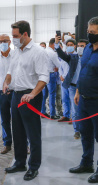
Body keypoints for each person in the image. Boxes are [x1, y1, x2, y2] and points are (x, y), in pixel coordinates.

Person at [3, 20, 49, 181]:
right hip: (16, 95)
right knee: (18, 132)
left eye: (15, 36)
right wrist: (6, 82)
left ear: (25, 34)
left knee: (32, 133)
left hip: (30, 97)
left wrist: (33, 94)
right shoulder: (16, 51)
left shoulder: (38, 52)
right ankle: (20, 162)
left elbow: (44, 77)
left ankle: (33, 166)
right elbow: (10, 71)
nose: (13, 39)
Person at [69, 16, 98, 183]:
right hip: (84, 99)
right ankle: (87, 163)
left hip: (97, 101)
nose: (89, 35)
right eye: (88, 31)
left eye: (93, 32)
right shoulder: (87, 48)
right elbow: (83, 71)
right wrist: (78, 91)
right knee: (85, 132)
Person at [55, 38, 81, 139]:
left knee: (77, 109)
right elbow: (61, 62)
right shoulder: (70, 56)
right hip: (68, 84)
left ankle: (80, 129)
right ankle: (75, 128)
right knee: (68, 104)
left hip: (78, 86)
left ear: (75, 46)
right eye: (68, 44)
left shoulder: (79, 57)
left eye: (71, 44)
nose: (70, 46)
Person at [41, 38, 60, 119]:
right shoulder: (52, 53)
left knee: (44, 95)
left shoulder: (43, 51)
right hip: (51, 75)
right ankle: (52, 113)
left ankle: (42, 112)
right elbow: (59, 65)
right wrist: (57, 68)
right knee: (52, 94)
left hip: (43, 75)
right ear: (53, 44)